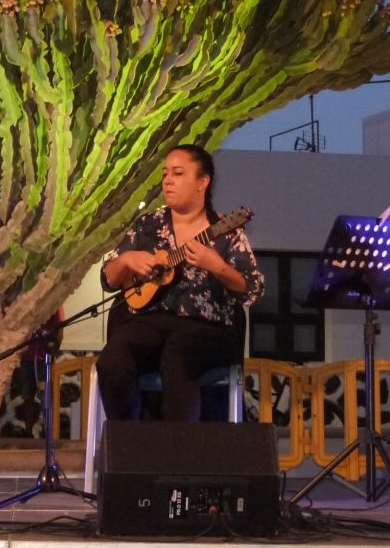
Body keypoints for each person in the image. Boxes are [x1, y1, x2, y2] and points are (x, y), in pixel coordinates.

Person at [96, 144, 264, 422]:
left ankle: (178, 455)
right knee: (113, 359)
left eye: (177, 173)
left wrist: (218, 266)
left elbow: (253, 290)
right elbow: (109, 280)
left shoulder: (226, 230)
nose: (168, 181)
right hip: (148, 323)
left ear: (202, 182)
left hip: (206, 328)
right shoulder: (148, 225)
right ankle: (126, 446)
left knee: (178, 358)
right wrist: (126, 259)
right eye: (164, 174)